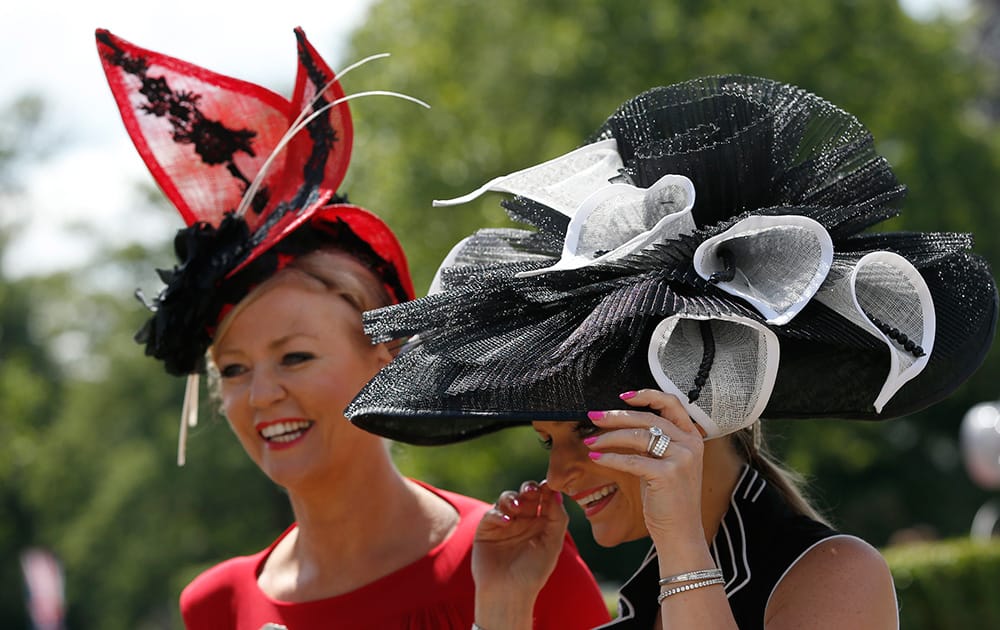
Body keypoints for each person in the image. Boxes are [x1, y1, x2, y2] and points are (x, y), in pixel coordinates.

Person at [346, 76, 999, 628]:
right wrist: (506, 602)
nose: (558, 477)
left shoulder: (834, 576)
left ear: (692, 405)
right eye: (549, 440)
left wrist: (684, 543)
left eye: (583, 429)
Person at [95, 28, 611, 629]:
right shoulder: (216, 606)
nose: (261, 396)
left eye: (295, 358)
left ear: (387, 356)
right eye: (234, 369)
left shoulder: (520, 558)